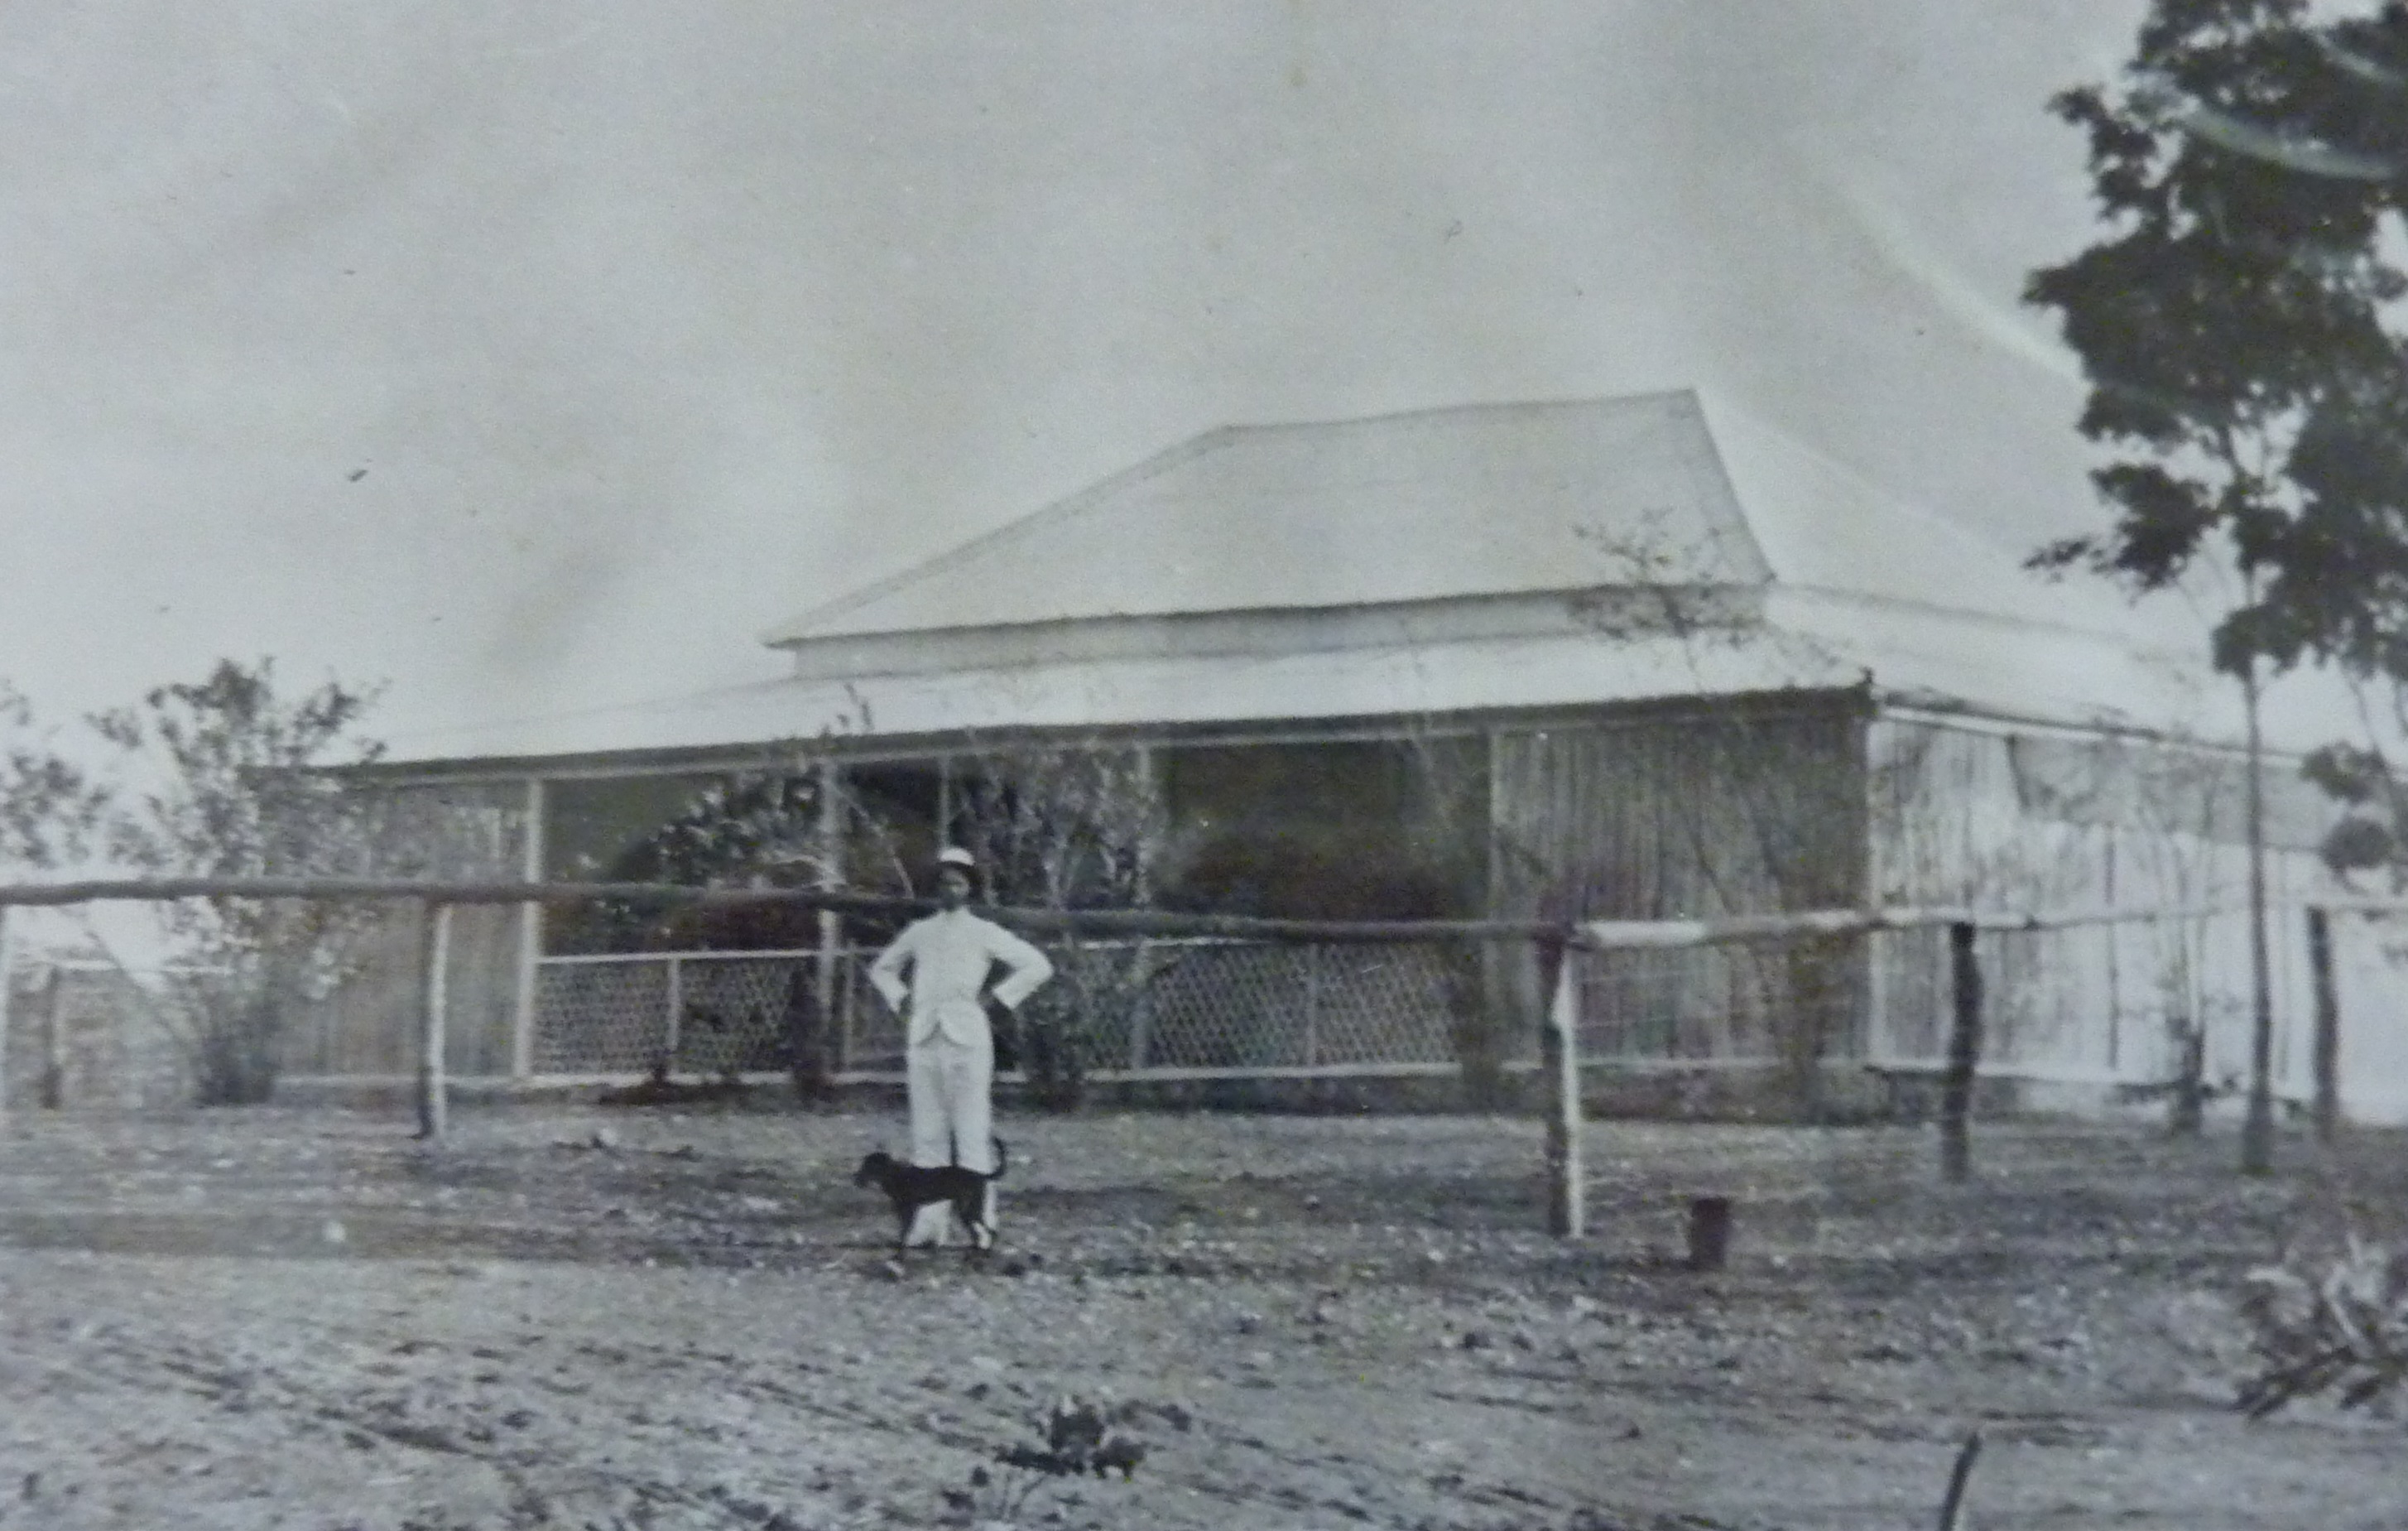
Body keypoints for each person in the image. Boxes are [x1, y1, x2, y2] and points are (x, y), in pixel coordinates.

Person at [868, 846, 1054, 1246]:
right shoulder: (920, 932)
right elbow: (882, 968)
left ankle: (982, 1223)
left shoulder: (983, 933)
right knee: (927, 1131)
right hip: (924, 1039)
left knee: (972, 1129)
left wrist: (999, 999)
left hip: (968, 1039)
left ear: (970, 888)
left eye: (958, 882)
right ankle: (929, 1224)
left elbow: (1037, 965)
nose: (949, 889)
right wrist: (900, 998)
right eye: (943, 882)